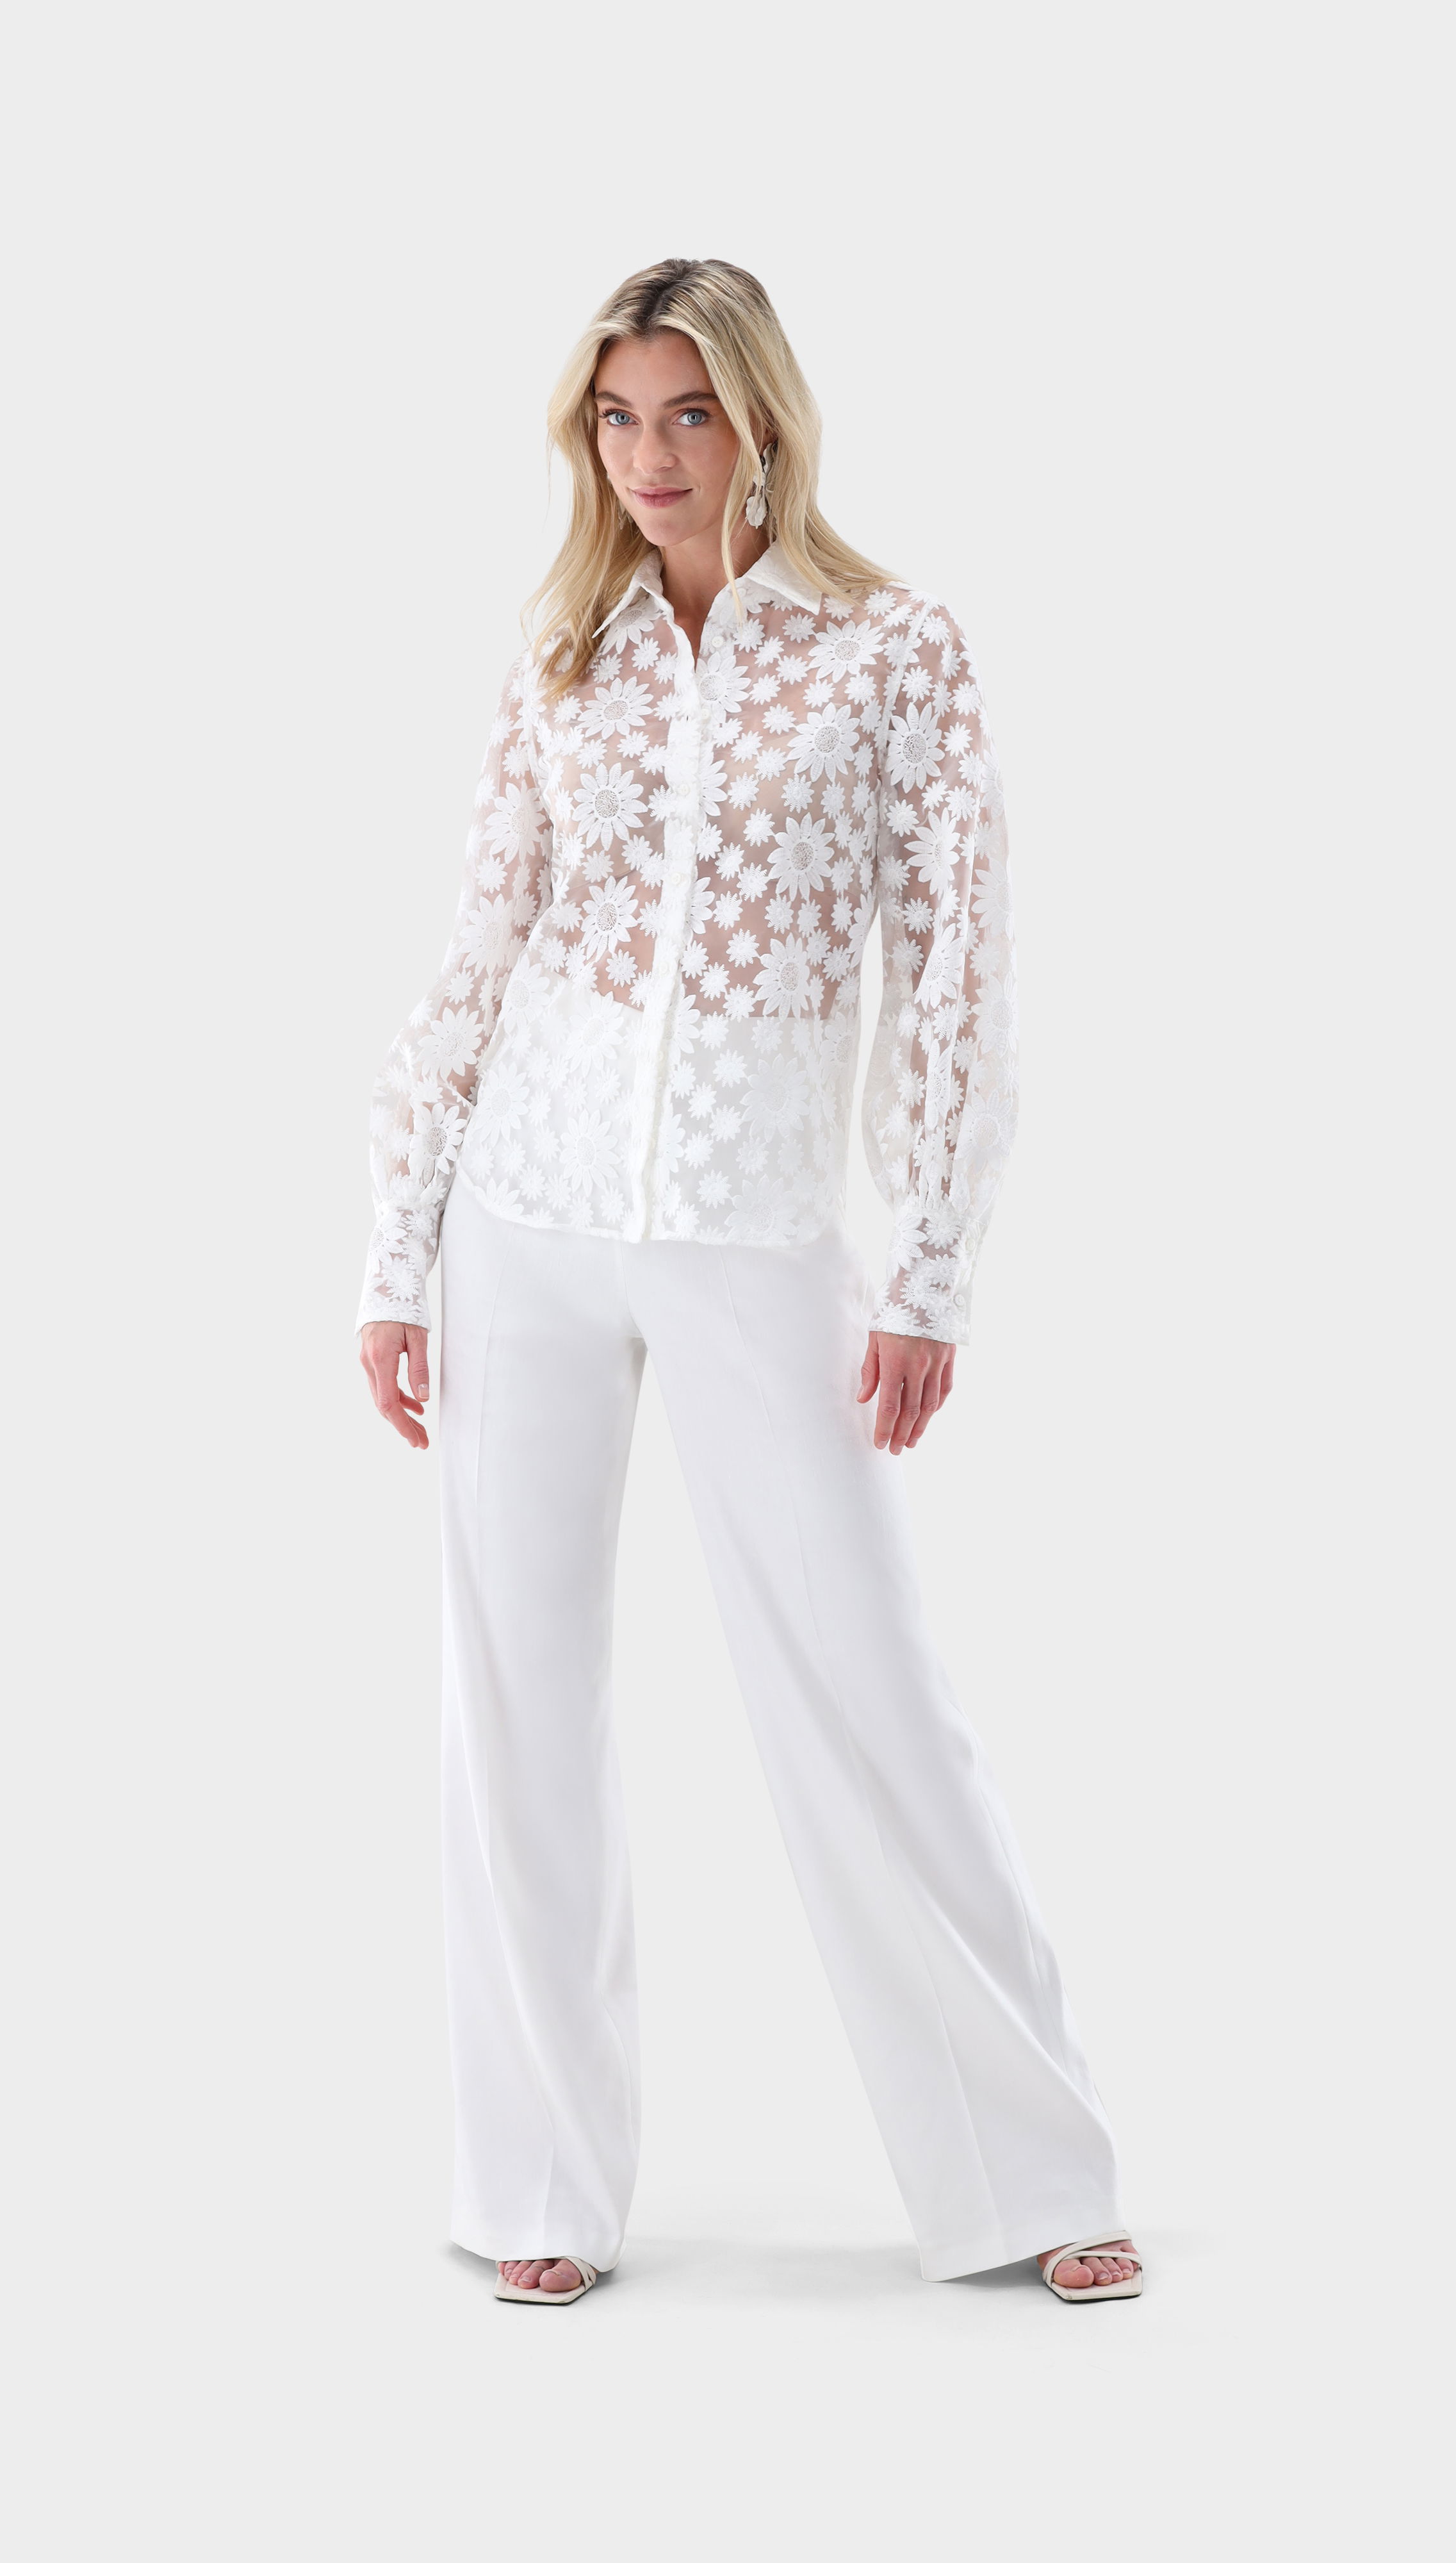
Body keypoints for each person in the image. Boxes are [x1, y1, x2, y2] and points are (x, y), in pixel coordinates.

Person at [356, 258, 1141, 2310]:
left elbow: (952, 962)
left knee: (866, 1687)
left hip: (756, 1229)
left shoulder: (891, 649)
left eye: (686, 413)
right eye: (616, 418)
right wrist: (396, 1247)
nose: (649, 456)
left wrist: (932, 1267)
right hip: (521, 1217)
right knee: (513, 1701)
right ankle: (537, 2187)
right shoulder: (564, 651)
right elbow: (477, 946)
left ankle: (1029, 2173)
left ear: (763, 418)